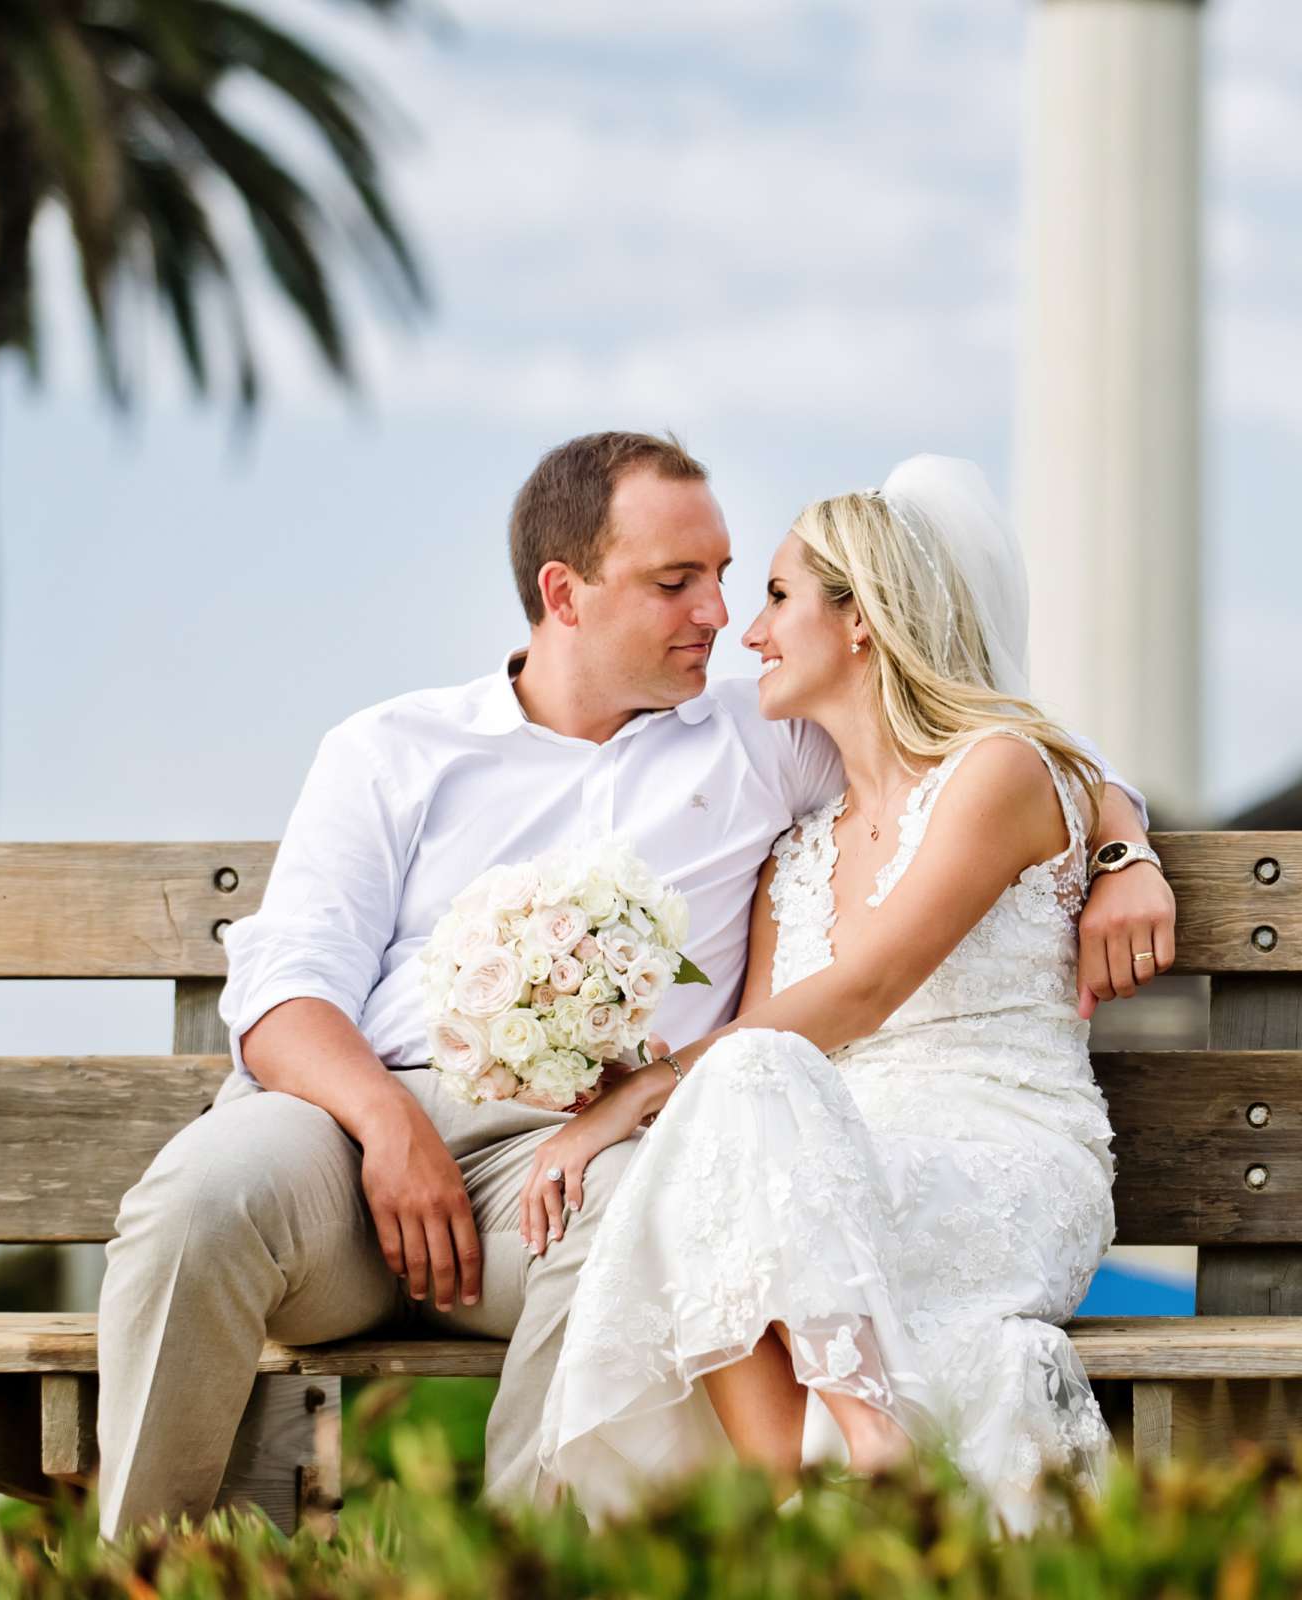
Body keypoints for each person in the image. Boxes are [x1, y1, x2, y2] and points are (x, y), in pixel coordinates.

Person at [89, 434, 1172, 1538]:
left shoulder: (765, 734)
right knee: (197, 1205)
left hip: (578, 1164)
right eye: (676, 582)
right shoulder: (393, 750)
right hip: (351, 1128)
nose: (719, 612)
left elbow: (991, 727)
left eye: (729, 576)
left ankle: (520, 1566)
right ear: (565, 592)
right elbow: (284, 990)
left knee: (647, 1225)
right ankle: (133, 1568)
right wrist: (382, 1124)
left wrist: (1125, 847)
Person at [526, 459, 1127, 1531]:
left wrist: (629, 1103)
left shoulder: (996, 772)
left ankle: (870, 1457)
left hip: (1000, 1146)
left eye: (774, 597)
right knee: (733, 1136)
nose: (746, 633)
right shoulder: (793, 853)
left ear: (861, 620)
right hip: (839, 1153)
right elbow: (762, 1047)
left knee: (738, 1102)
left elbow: (865, 989)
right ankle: (805, 1504)